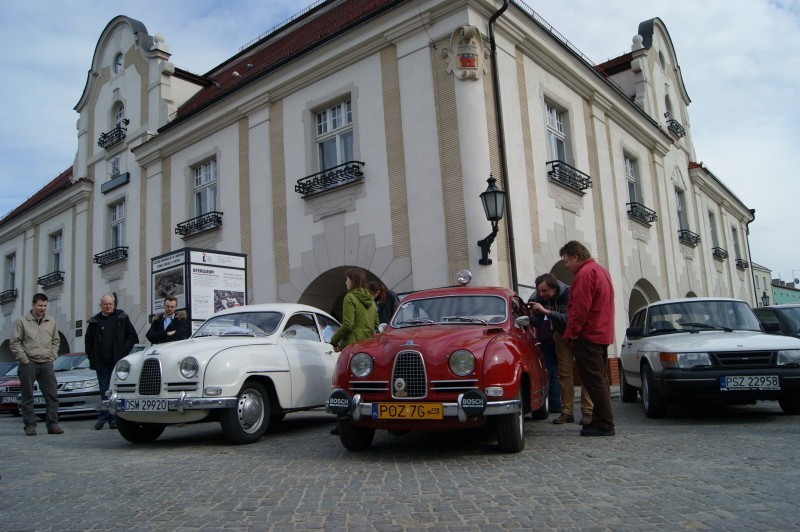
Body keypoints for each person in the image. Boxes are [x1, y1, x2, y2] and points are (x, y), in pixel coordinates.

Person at [560, 241, 616, 436]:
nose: (566, 265)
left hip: (589, 334)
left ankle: (604, 424)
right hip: (601, 333)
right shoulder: (601, 270)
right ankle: (602, 420)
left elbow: (579, 308)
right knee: (600, 379)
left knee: (594, 381)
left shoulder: (584, 274)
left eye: (566, 260)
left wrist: (572, 332)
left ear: (575, 256)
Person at [528, 273, 594, 426]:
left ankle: (588, 412)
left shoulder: (570, 293)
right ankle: (567, 412)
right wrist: (528, 314)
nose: (541, 294)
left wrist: (547, 312)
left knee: (585, 374)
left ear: (554, 288)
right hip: (561, 336)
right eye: (540, 291)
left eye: (544, 291)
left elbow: (570, 318)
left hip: (579, 334)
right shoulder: (540, 297)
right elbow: (537, 322)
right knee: (564, 375)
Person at [10, 293, 63, 436]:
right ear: (33, 305)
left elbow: (56, 341)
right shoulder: (22, 321)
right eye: (40, 305)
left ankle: (52, 424)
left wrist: (52, 356)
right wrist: (23, 359)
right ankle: (30, 425)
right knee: (28, 395)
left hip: (46, 362)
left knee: (52, 395)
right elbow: (14, 342)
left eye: (45, 306)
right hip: (29, 363)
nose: (42, 308)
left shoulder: (51, 321)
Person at [86, 294, 139, 430]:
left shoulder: (121, 318)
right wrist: (92, 356)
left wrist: (124, 349)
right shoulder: (95, 321)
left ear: (114, 305)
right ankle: (110, 419)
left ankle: (105, 418)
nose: (108, 306)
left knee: (115, 391)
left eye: (110, 304)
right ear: (101, 306)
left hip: (118, 362)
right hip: (102, 363)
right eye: (105, 304)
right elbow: (88, 341)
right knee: (105, 391)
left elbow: (132, 335)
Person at [331, 268, 379, 352]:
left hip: (352, 346)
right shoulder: (371, 300)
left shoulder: (349, 298)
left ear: (352, 281)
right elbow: (376, 324)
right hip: (368, 345)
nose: (346, 282)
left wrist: (334, 341)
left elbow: (348, 324)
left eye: (347, 279)